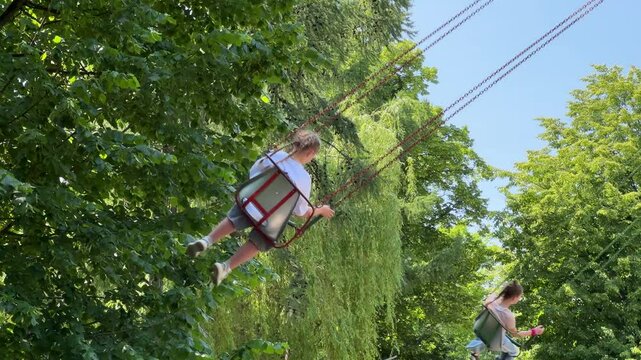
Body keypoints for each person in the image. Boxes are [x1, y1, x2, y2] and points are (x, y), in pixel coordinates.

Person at [186, 130, 335, 285]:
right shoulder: (304, 178)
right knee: (264, 239)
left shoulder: (276, 156)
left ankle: (206, 241)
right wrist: (321, 210)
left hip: (251, 205)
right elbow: (301, 212)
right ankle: (226, 267)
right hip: (269, 222)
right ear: (310, 153)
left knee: (239, 214)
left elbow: (253, 174)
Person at [466, 281, 544, 360]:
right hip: (495, 340)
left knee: (489, 337)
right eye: (519, 297)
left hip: (481, 329)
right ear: (514, 298)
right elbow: (515, 334)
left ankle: (476, 348)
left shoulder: (492, 298)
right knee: (514, 351)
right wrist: (534, 331)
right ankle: (479, 347)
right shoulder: (508, 316)